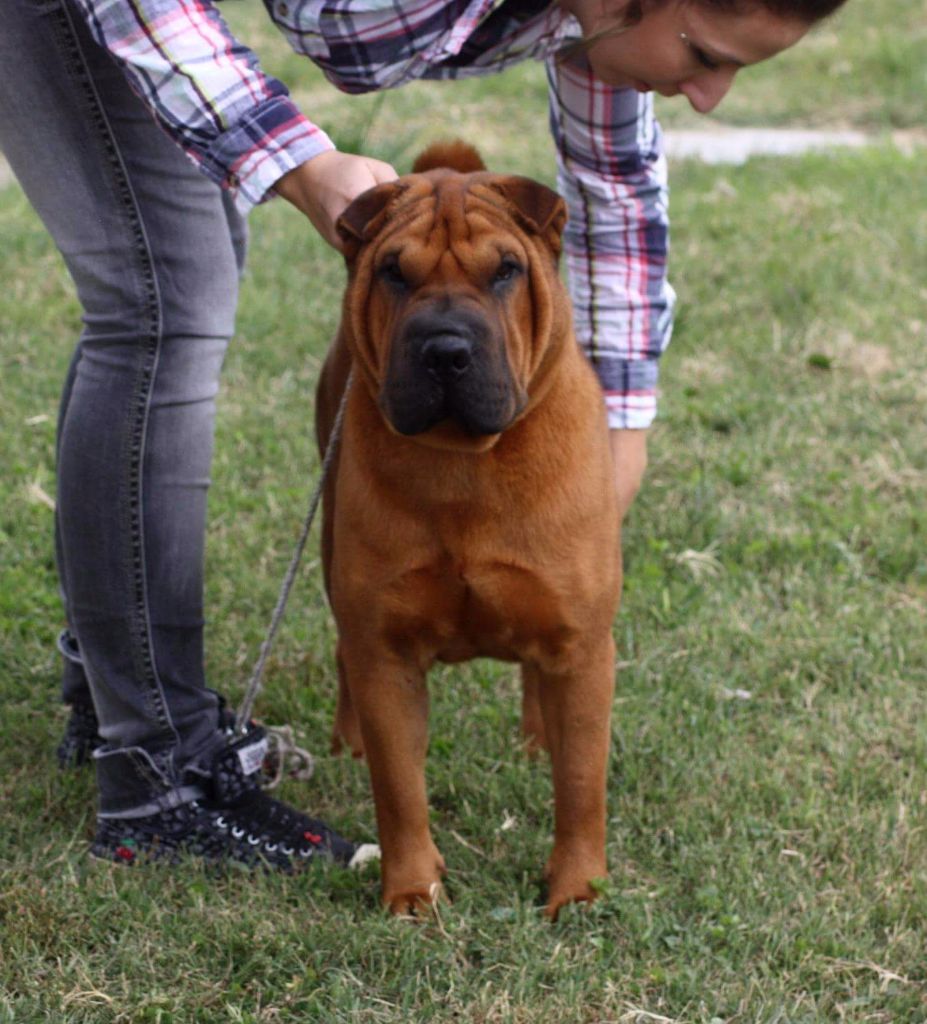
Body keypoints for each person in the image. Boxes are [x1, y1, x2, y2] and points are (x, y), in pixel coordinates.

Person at [0, 0, 848, 869]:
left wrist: (621, 423)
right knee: (167, 296)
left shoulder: (605, 22)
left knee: (182, 273)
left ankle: (108, 700)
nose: (708, 96)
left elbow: (614, 178)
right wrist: (297, 161)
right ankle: (157, 776)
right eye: (704, 55)